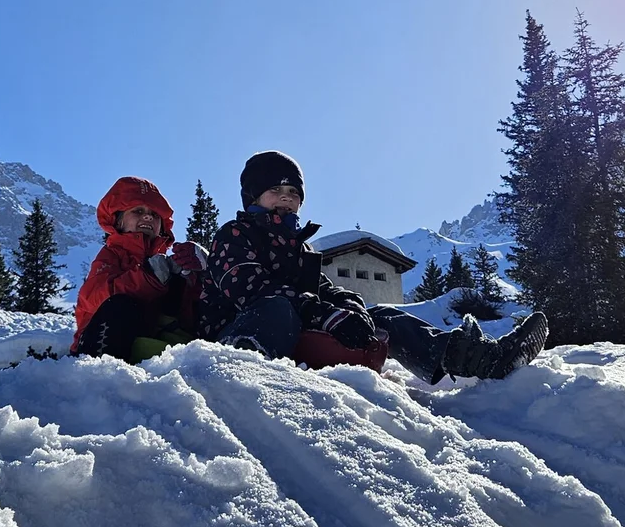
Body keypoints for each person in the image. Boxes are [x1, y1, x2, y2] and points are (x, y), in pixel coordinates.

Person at [203, 149, 548, 383]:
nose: (286, 197)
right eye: (275, 189)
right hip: (239, 335)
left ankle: (479, 359)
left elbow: (325, 290)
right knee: (277, 307)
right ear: (252, 198)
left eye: (294, 192)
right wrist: (322, 313)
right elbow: (249, 289)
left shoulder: (300, 248)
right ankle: (246, 375)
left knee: (382, 315)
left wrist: (351, 308)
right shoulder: (235, 235)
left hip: (295, 337)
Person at [72, 177, 207, 362]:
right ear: (118, 221)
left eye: (155, 214)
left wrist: (203, 273)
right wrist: (146, 279)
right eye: (138, 211)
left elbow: (190, 316)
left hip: (152, 352)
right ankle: (98, 374)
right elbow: (93, 298)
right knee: (120, 305)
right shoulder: (111, 255)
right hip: (102, 345)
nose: (148, 217)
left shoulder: (168, 265)